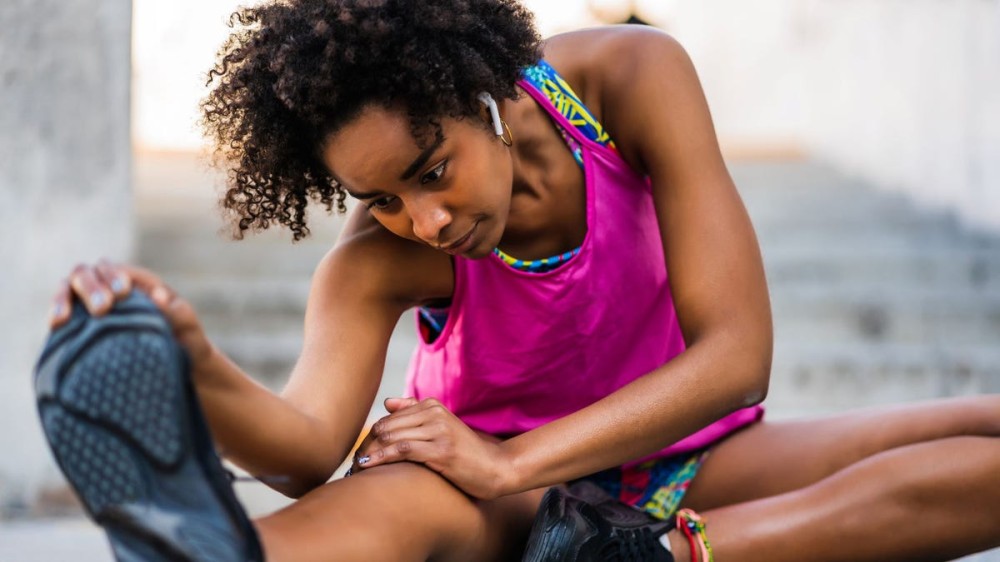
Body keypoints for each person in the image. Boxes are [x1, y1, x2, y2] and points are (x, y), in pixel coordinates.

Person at [39, 0, 1000, 560]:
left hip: (684, 456)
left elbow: (738, 359)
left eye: (431, 170)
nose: (426, 221)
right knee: (377, 509)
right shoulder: (376, 261)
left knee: (974, 441)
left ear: (488, 93)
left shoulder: (629, 81)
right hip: (502, 509)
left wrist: (513, 457)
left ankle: (652, 557)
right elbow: (302, 451)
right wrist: (195, 361)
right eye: (379, 198)